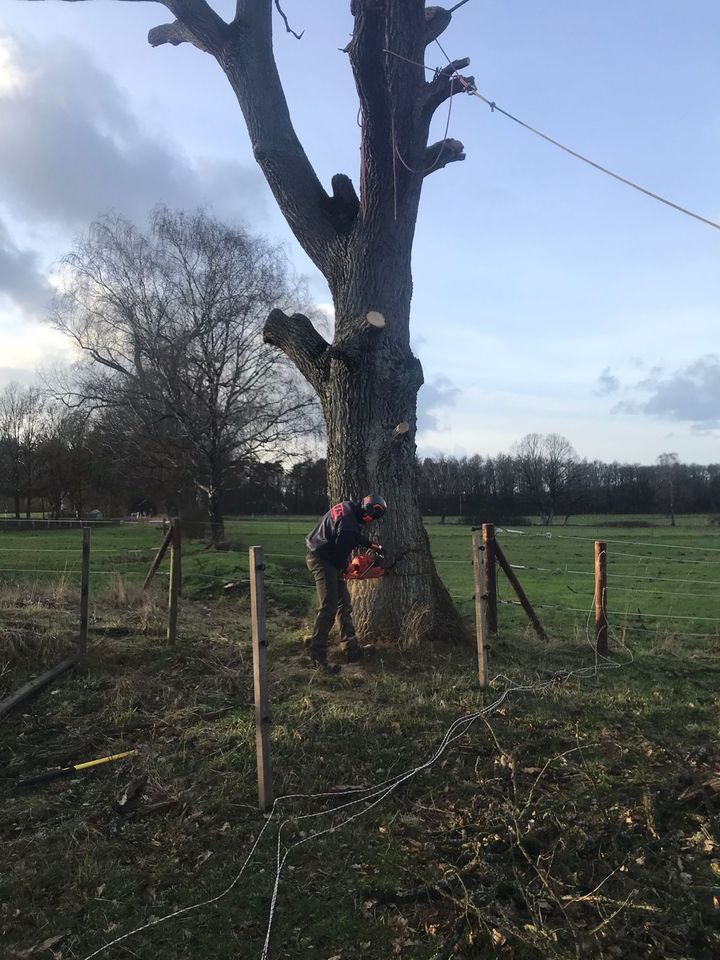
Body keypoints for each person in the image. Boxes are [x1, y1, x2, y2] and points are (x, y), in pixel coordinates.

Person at [305, 494, 387, 672]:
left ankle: (351, 649)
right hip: (323, 559)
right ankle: (317, 657)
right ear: (368, 512)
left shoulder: (348, 507)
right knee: (329, 607)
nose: (370, 520)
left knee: (344, 603)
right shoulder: (350, 526)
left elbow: (349, 533)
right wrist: (348, 568)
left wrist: (370, 544)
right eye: (372, 516)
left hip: (324, 553)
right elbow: (338, 555)